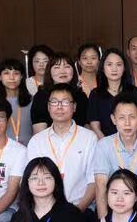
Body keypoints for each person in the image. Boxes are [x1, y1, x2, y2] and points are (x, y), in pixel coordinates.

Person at [26, 83, 98, 212]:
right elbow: (30, 180)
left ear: (74, 107)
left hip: (80, 208)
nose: (59, 107)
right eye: (54, 102)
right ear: (48, 107)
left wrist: (77, 210)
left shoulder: (89, 138)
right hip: (44, 209)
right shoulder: (37, 141)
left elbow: (94, 181)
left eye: (65, 102)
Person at [93, 91, 137, 221]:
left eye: (132, 117)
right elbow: (100, 186)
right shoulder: (103, 145)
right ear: (113, 119)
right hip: (114, 206)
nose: (127, 123)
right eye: (121, 118)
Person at [87, 47, 137, 140]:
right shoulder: (95, 94)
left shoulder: (135, 92)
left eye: (118, 64)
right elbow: (95, 126)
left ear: (124, 68)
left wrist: (129, 143)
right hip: (104, 144)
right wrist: (107, 145)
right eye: (109, 64)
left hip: (132, 143)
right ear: (103, 68)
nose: (114, 69)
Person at [31, 53, 88, 133]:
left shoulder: (81, 96)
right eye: (57, 67)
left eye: (67, 66)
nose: (62, 71)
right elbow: (39, 131)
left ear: (73, 70)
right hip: (49, 140)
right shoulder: (41, 96)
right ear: (49, 71)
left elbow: (86, 126)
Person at [0, 58, 34, 144]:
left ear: (21, 76)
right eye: (6, 73)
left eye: (16, 73)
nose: (12, 77)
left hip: (29, 149)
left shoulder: (32, 101)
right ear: (0, 77)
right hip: (3, 149)